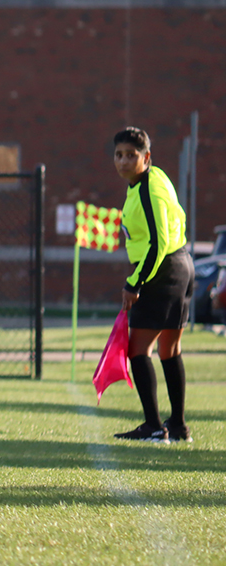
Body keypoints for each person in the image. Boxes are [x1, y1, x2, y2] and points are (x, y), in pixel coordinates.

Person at [111, 127, 194, 443]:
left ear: (146, 158)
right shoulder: (150, 178)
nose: (123, 161)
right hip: (180, 266)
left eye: (131, 155)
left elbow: (157, 244)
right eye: (119, 155)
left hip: (162, 273)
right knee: (169, 350)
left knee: (137, 350)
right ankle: (178, 426)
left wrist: (134, 283)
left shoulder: (148, 189)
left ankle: (154, 426)